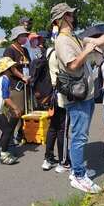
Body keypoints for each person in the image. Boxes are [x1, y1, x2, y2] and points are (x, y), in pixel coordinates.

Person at [52, 2, 104, 193]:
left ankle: (77, 170)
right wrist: (87, 51)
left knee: (81, 134)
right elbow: (72, 65)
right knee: (79, 136)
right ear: (62, 18)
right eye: (70, 15)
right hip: (77, 96)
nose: (73, 17)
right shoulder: (62, 41)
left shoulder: (75, 37)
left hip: (86, 94)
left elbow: (100, 41)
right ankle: (79, 176)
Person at [42, 42, 71, 173]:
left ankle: (48, 159)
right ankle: (63, 161)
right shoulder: (59, 54)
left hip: (53, 95)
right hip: (62, 97)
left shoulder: (49, 52)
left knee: (53, 128)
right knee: (62, 130)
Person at [0, 57, 21, 165]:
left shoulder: (3, 78)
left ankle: (3, 150)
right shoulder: (5, 79)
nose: (14, 68)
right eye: (12, 67)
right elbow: (6, 98)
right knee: (7, 131)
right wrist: (15, 108)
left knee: (8, 130)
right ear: (7, 69)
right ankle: (4, 155)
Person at [3, 26, 31, 142]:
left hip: (25, 83)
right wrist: (22, 76)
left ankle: (21, 134)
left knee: (24, 110)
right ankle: (8, 138)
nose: (25, 38)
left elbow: (29, 63)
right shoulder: (9, 50)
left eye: (25, 35)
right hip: (15, 84)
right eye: (22, 36)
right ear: (16, 37)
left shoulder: (24, 50)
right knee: (16, 111)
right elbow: (11, 68)